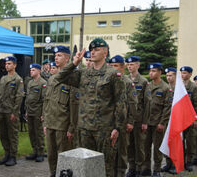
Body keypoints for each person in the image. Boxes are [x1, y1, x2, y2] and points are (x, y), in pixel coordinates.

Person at [54, 38, 127, 177]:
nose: (92, 52)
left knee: (105, 167)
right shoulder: (83, 73)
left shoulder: (113, 75)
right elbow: (60, 77)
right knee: (85, 167)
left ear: (105, 53)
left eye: (97, 50)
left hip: (104, 130)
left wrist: (117, 127)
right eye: (91, 50)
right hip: (84, 129)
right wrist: (74, 62)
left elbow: (121, 103)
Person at [43, 46, 78, 177]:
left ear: (68, 58)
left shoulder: (73, 77)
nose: (56, 58)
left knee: (64, 155)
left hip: (63, 125)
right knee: (51, 155)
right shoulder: (53, 78)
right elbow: (47, 101)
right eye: (55, 55)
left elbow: (74, 105)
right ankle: (53, 173)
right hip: (51, 123)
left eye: (60, 55)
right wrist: (45, 123)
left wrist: (72, 127)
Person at [109, 55, 138, 177]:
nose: (113, 69)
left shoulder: (127, 82)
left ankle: (120, 173)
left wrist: (130, 121)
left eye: (115, 66)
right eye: (111, 66)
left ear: (122, 67)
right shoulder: (107, 81)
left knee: (121, 153)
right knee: (109, 153)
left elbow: (133, 103)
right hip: (108, 123)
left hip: (123, 123)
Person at [142, 63, 172, 177]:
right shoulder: (147, 86)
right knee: (145, 146)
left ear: (160, 72)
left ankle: (157, 169)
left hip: (157, 123)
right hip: (146, 122)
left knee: (158, 148)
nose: (151, 73)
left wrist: (162, 123)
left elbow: (167, 107)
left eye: (154, 71)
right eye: (150, 71)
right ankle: (146, 168)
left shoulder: (166, 88)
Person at [125, 56, 151, 177]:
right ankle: (132, 168)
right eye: (128, 64)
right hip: (127, 119)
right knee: (129, 145)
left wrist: (145, 122)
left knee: (140, 146)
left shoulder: (143, 82)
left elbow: (147, 103)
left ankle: (140, 168)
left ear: (138, 65)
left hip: (139, 119)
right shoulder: (125, 80)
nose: (130, 66)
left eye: (132, 64)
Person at [0, 56, 24, 166]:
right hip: (2, 110)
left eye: (9, 64)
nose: (7, 66)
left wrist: (15, 112)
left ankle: (13, 156)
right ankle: (6, 154)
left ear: (15, 65)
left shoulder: (18, 79)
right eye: (6, 64)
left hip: (11, 111)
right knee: (3, 134)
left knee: (12, 135)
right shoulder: (3, 79)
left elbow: (19, 97)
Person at [180, 66, 197, 171]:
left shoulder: (194, 87)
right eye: (181, 73)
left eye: (184, 73)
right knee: (180, 141)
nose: (182, 75)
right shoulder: (178, 86)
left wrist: (195, 119)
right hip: (180, 118)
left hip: (189, 119)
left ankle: (189, 162)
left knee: (190, 142)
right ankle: (181, 161)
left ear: (190, 74)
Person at [25, 63, 47, 162]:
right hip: (30, 111)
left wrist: (43, 114)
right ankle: (34, 151)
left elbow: (44, 100)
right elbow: (28, 98)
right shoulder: (30, 83)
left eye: (33, 70)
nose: (31, 71)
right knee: (31, 132)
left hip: (38, 111)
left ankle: (40, 152)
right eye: (31, 70)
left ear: (39, 71)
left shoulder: (43, 83)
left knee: (39, 133)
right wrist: (26, 110)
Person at [161, 67, 177, 174]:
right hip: (166, 119)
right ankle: (168, 163)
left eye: (171, 75)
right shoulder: (166, 88)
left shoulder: (180, 89)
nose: (168, 77)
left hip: (176, 120)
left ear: (175, 76)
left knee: (176, 143)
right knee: (167, 141)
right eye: (167, 75)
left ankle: (176, 165)